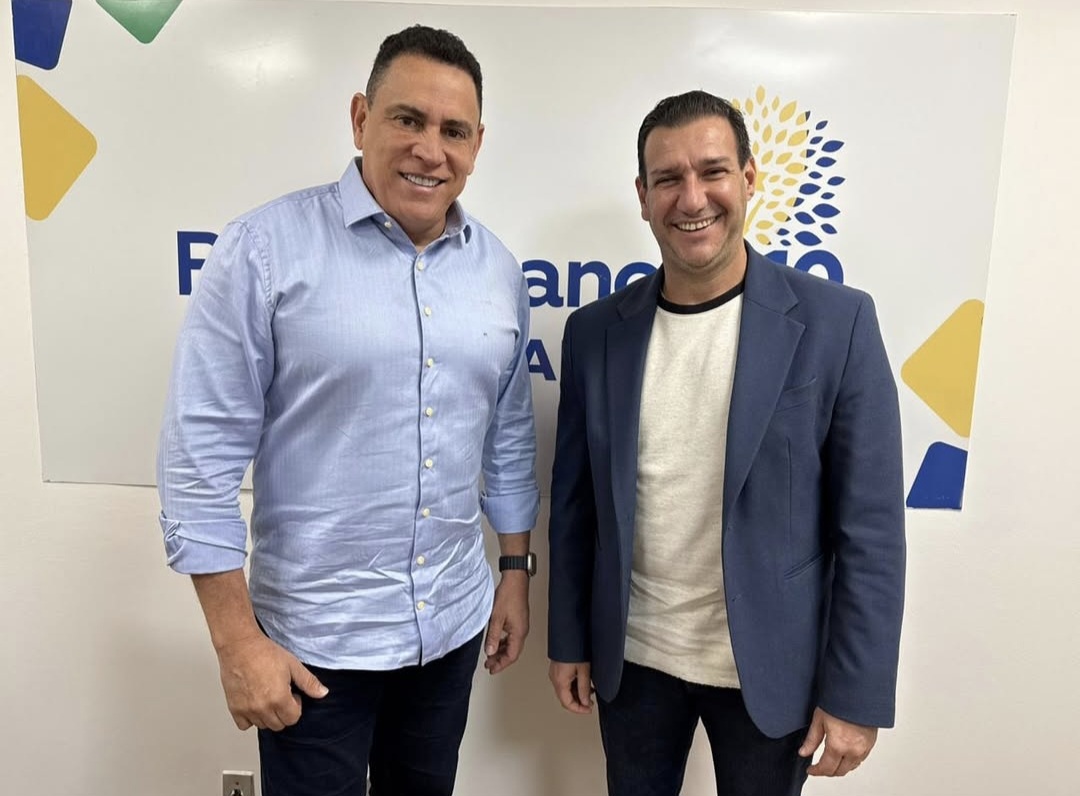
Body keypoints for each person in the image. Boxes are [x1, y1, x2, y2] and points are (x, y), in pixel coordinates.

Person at [157, 25, 539, 796]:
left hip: (449, 628)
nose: (430, 150)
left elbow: (507, 436)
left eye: (453, 130)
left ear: (476, 145)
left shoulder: (499, 272)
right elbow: (198, 461)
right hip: (313, 647)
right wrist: (236, 644)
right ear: (362, 118)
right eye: (408, 119)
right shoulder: (264, 251)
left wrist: (513, 573)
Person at [547, 89, 905, 796]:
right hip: (634, 665)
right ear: (643, 196)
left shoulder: (838, 324)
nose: (692, 198)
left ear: (748, 178)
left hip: (772, 672)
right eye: (667, 179)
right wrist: (569, 640)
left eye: (712, 172)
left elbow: (870, 531)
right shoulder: (593, 333)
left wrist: (856, 693)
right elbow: (574, 507)